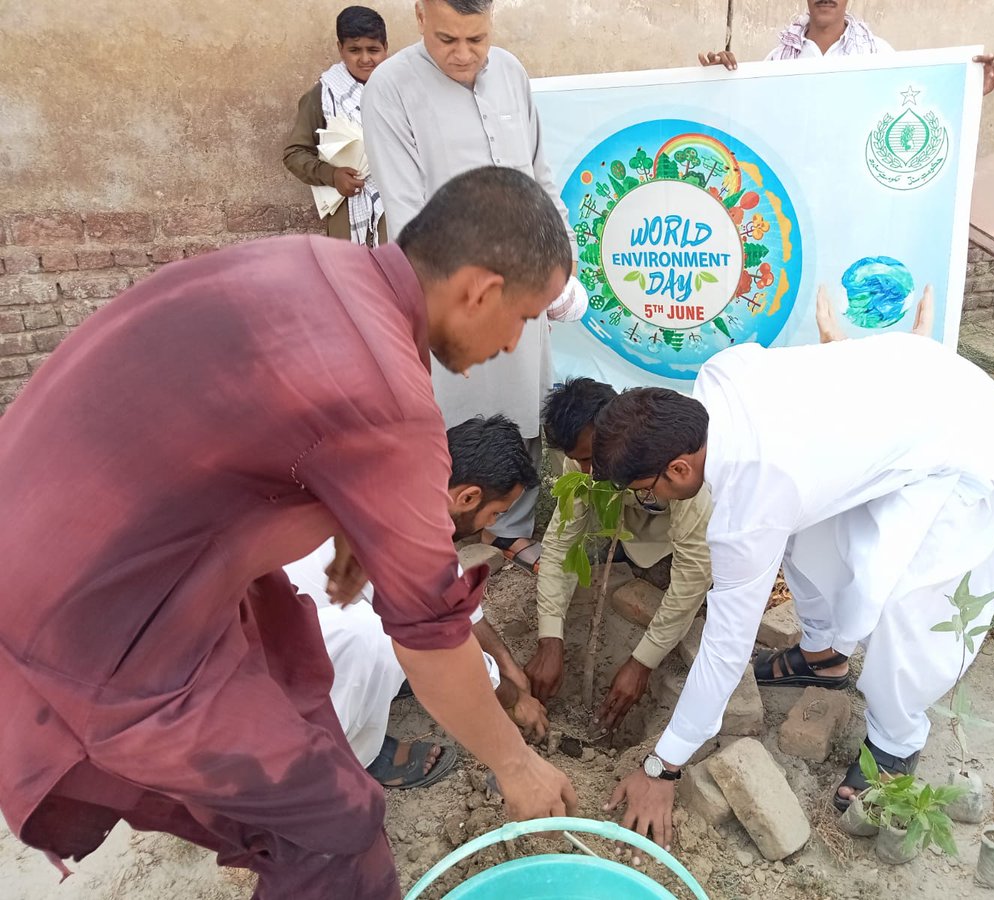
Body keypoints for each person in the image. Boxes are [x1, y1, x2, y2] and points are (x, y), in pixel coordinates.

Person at [0, 166, 576, 899]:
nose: (514, 342)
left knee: (291, 664)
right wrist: (515, 765)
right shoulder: (388, 399)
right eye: (524, 318)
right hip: (96, 626)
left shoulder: (315, 261)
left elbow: (270, 417)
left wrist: (350, 517)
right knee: (335, 826)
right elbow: (430, 636)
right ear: (481, 290)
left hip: (43, 537)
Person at [592, 332, 994, 848]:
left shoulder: (753, 501)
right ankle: (824, 655)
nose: (653, 502)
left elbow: (725, 647)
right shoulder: (715, 384)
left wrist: (662, 765)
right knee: (806, 536)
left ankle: (896, 742)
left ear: (678, 467)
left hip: (963, 435)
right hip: (907, 398)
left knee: (910, 604)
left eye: (649, 493)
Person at [363, 0, 586, 574]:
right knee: (452, 407)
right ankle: (443, 525)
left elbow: (541, 180)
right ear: (418, 15)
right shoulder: (390, 87)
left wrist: (560, 265)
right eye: (446, 39)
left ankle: (510, 524)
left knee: (523, 400)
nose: (463, 55)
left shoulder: (511, 72)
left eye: (476, 39)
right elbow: (411, 215)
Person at [285, 415, 549, 789]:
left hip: (285, 611)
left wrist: (510, 667)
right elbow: (448, 643)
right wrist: (513, 700)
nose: (496, 522)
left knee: (392, 636)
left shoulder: (409, 485)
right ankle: (345, 756)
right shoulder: (406, 538)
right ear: (468, 497)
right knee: (376, 638)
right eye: (496, 513)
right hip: (273, 660)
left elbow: (457, 603)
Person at [523, 378, 713, 734]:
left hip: (685, 542)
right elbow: (560, 545)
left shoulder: (681, 468)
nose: (584, 472)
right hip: (628, 537)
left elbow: (693, 575)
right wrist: (550, 639)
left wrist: (642, 663)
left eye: (589, 459)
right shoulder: (582, 468)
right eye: (575, 460)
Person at [699, 0, 994, 96]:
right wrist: (717, 84)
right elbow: (749, 116)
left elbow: (915, 105)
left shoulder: (879, 55)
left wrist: (969, 90)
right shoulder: (777, 59)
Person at [283, 6, 389, 244]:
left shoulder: (401, 91)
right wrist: (332, 175)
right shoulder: (322, 96)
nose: (365, 59)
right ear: (341, 48)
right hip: (347, 214)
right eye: (354, 50)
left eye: (373, 50)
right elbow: (295, 153)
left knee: (397, 276)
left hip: (395, 210)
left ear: (386, 48)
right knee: (349, 277)